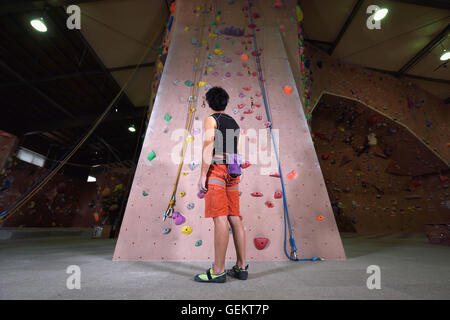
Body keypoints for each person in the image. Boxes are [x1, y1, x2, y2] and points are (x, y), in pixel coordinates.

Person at [195, 87, 248, 283]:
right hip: (234, 172)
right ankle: (241, 268)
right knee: (234, 217)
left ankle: (218, 271)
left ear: (209, 103)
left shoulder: (211, 119)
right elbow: (239, 150)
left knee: (220, 218)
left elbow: (209, 143)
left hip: (217, 169)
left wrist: (202, 175)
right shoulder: (234, 122)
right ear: (225, 103)